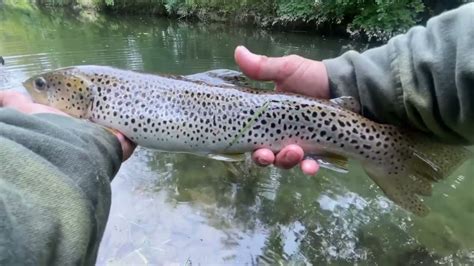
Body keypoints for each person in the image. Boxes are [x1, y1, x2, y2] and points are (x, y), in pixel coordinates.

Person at [0, 3, 472, 264]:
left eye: (43, 86)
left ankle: (385, 148)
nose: (36, 89)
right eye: (42, 85)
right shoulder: (93, 93)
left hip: (279, 114)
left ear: (78, 95)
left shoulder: (88, 96)